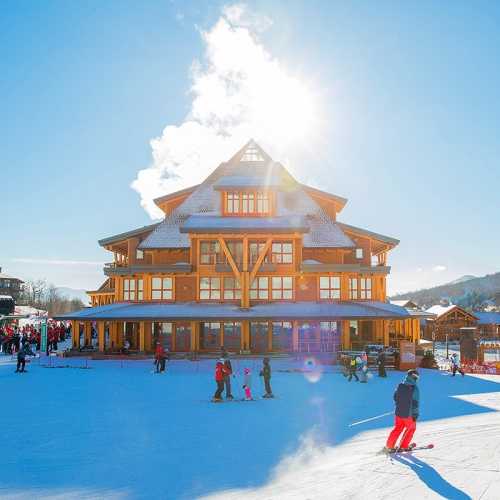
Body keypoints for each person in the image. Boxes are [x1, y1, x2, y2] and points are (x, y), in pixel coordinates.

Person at [385, 369, 420, 452]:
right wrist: (415, 414)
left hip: (398, 413)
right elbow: (415, 403)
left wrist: (400, 405)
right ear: (414, 377)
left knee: (398, 428)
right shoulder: (414, 388)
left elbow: (395, 397)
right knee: (410, 429)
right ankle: (404, 446)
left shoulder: (400, 385)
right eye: (417, 377)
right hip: (408, 415)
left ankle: (389, 446)